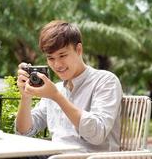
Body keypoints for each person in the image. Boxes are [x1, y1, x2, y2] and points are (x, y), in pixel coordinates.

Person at [15, 20, 123, 154]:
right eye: (51, 58)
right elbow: (24, 131)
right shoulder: (56, 89)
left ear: (78, 50)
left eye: (62, 55)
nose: (57, 64)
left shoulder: (105, 81)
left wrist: (57, 97)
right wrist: (26, 96)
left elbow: (97, 134)